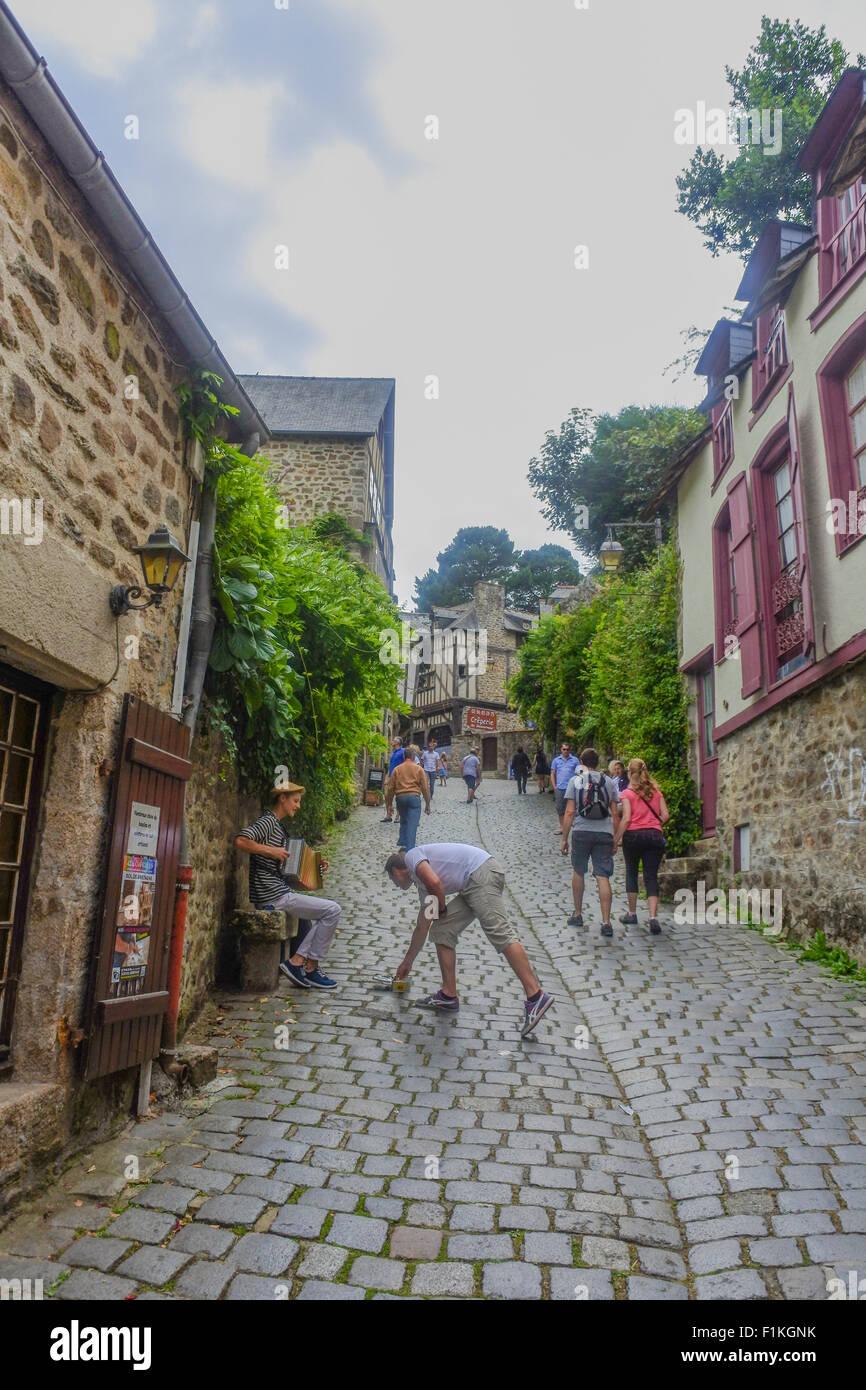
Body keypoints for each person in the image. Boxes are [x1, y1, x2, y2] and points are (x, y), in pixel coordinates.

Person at [384, 844, 555, 1037]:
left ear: (397, 870)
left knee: (499, 932)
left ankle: (536, 996)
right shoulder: (421, 884)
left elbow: (435, 883)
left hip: (482, 874)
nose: (395, 885)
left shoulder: (412, 858)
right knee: (442, 928)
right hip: (471, 882)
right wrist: (407, 962)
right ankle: (449, 994)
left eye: (393, 879)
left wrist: (440, 909)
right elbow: (422, 926)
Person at [234, 783, 339, 989]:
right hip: (272, 896)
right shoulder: (268, 822)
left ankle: (306, 967)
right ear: (282, 798)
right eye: (295, 801)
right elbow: (241, 841)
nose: (298, 806)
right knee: (333, 910)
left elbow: (288, 874)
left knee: (311, 918)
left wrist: (316, 866)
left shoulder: (278, 827)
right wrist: (271, 851)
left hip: (279, 891)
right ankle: (300, 963)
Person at [560, 747, 620, 939]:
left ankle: (577, 914)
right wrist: (616, 838)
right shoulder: (609, 782)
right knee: (603, 876)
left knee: (579, 871)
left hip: (581, 831)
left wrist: (564, 838)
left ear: (582, 763)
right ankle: (606, 922)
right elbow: (615, 813)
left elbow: (569, 812)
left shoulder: (575, 781)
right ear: (597, 761)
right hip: (604, 833)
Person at [615, 757, 670, 936]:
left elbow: (627, 818)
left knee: (631, 871)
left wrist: (617, 838)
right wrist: (653, 824)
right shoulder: (656, 792)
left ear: (629, 773)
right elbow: (666, 815)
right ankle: (653, 918)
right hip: (654, 836)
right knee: (651, 876)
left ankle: (632, 913)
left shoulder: (627, 794)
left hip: (633, 836)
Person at [385, 744, 431, 851]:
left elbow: (390, 789)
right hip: (414, 798)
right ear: (414, 757)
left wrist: (389, 804)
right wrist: (428, 804)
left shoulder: (397, 769)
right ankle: (409, 849)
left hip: (400, 798)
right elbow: (425, 788)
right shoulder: (419, 769)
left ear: (403, 757)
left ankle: (403, 844)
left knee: (404, 820)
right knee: (412, 824)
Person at [550, 741, 581, 832]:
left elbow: (580, 772)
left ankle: (575, 827)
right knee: (560, 809)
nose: (566, 751)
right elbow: (552, 773)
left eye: (567, 749)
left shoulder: (575, 760)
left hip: (572, 788)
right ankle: (563, 828)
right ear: (561, 750)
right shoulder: (556, 760)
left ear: (569, 750)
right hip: (560, 788)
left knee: (573, 809)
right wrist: (554, 786)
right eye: (564, 749)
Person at [382, 737, 405, 823]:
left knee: (399, 797)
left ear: (397, 742)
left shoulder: (403, 751)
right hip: (391, 777)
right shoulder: (393, 753)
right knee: (387, 796)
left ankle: (398, 816)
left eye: (393, 740)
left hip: (399, 777)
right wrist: (387, 777)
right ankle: (389, 814)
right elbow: (391, 766)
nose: (391, 741)